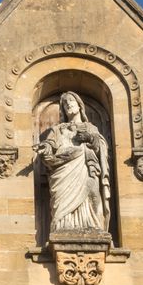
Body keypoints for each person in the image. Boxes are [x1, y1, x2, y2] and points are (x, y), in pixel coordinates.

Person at [37, 92, 111, 233]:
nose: (68, 104)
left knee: (92, 194)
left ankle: (94, 226)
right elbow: (50, 144)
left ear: (79, 105)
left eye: (71, 101)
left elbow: (100, 146)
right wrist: (45, 147)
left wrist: (90, 138)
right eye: (65, 103)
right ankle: (63, 226)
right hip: (64, 170)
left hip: (86, 167)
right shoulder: (58, 129)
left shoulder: (90, 127)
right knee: (62, 199)